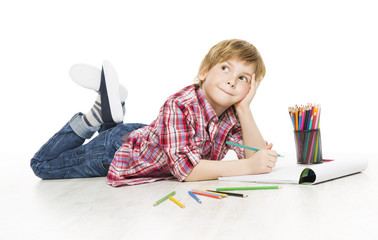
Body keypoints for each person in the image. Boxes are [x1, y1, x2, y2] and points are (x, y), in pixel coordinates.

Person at [31, 39, 278, 187]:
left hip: (146, 135)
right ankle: (94, 117)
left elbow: (254, 155)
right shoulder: (180, 104)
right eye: (225, 68)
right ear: (204, 71)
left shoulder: (233, 115)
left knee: (121, 131)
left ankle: (112, 114)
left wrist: (245, 108)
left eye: (243, 78)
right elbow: (187, 171)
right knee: (42, 165)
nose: (232, 81)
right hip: (118, 151)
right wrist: (248, 167)